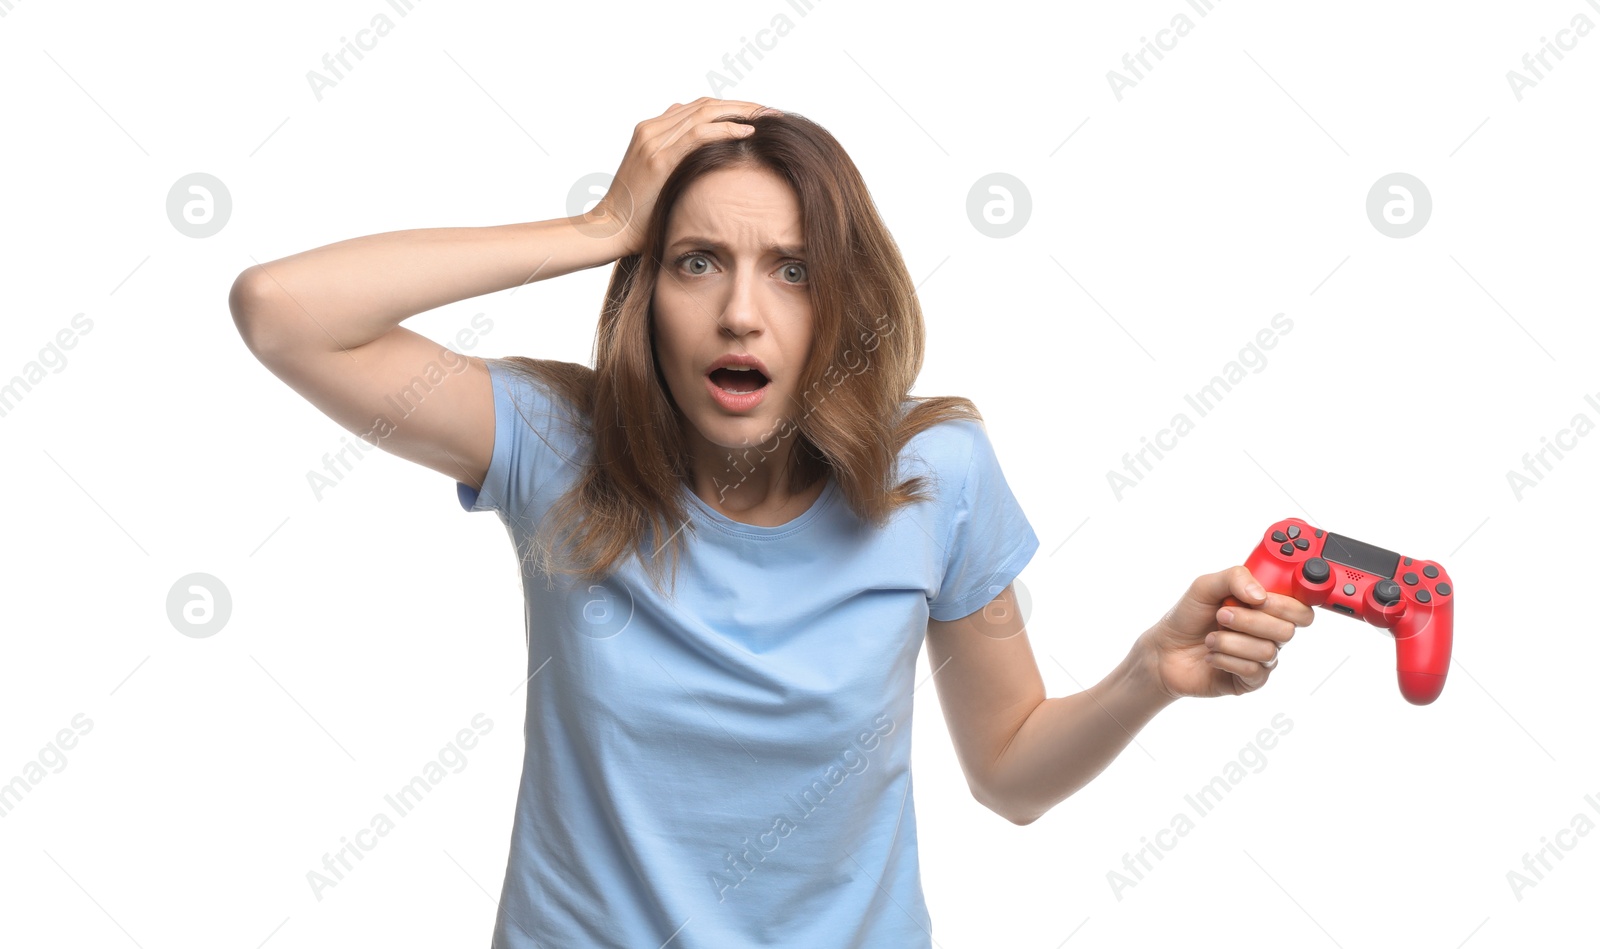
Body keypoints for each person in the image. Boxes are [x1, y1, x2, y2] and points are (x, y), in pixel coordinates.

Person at [228, 97, 1314, 947]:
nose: (740, 310)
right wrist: (599, 223)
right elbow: (284, 312)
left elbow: (1009, 773)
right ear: (643, 286)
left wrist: (1146, 673)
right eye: (696, 261)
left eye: (791, 271)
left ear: (841, 301)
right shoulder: (558, 441)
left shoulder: (936, 475)